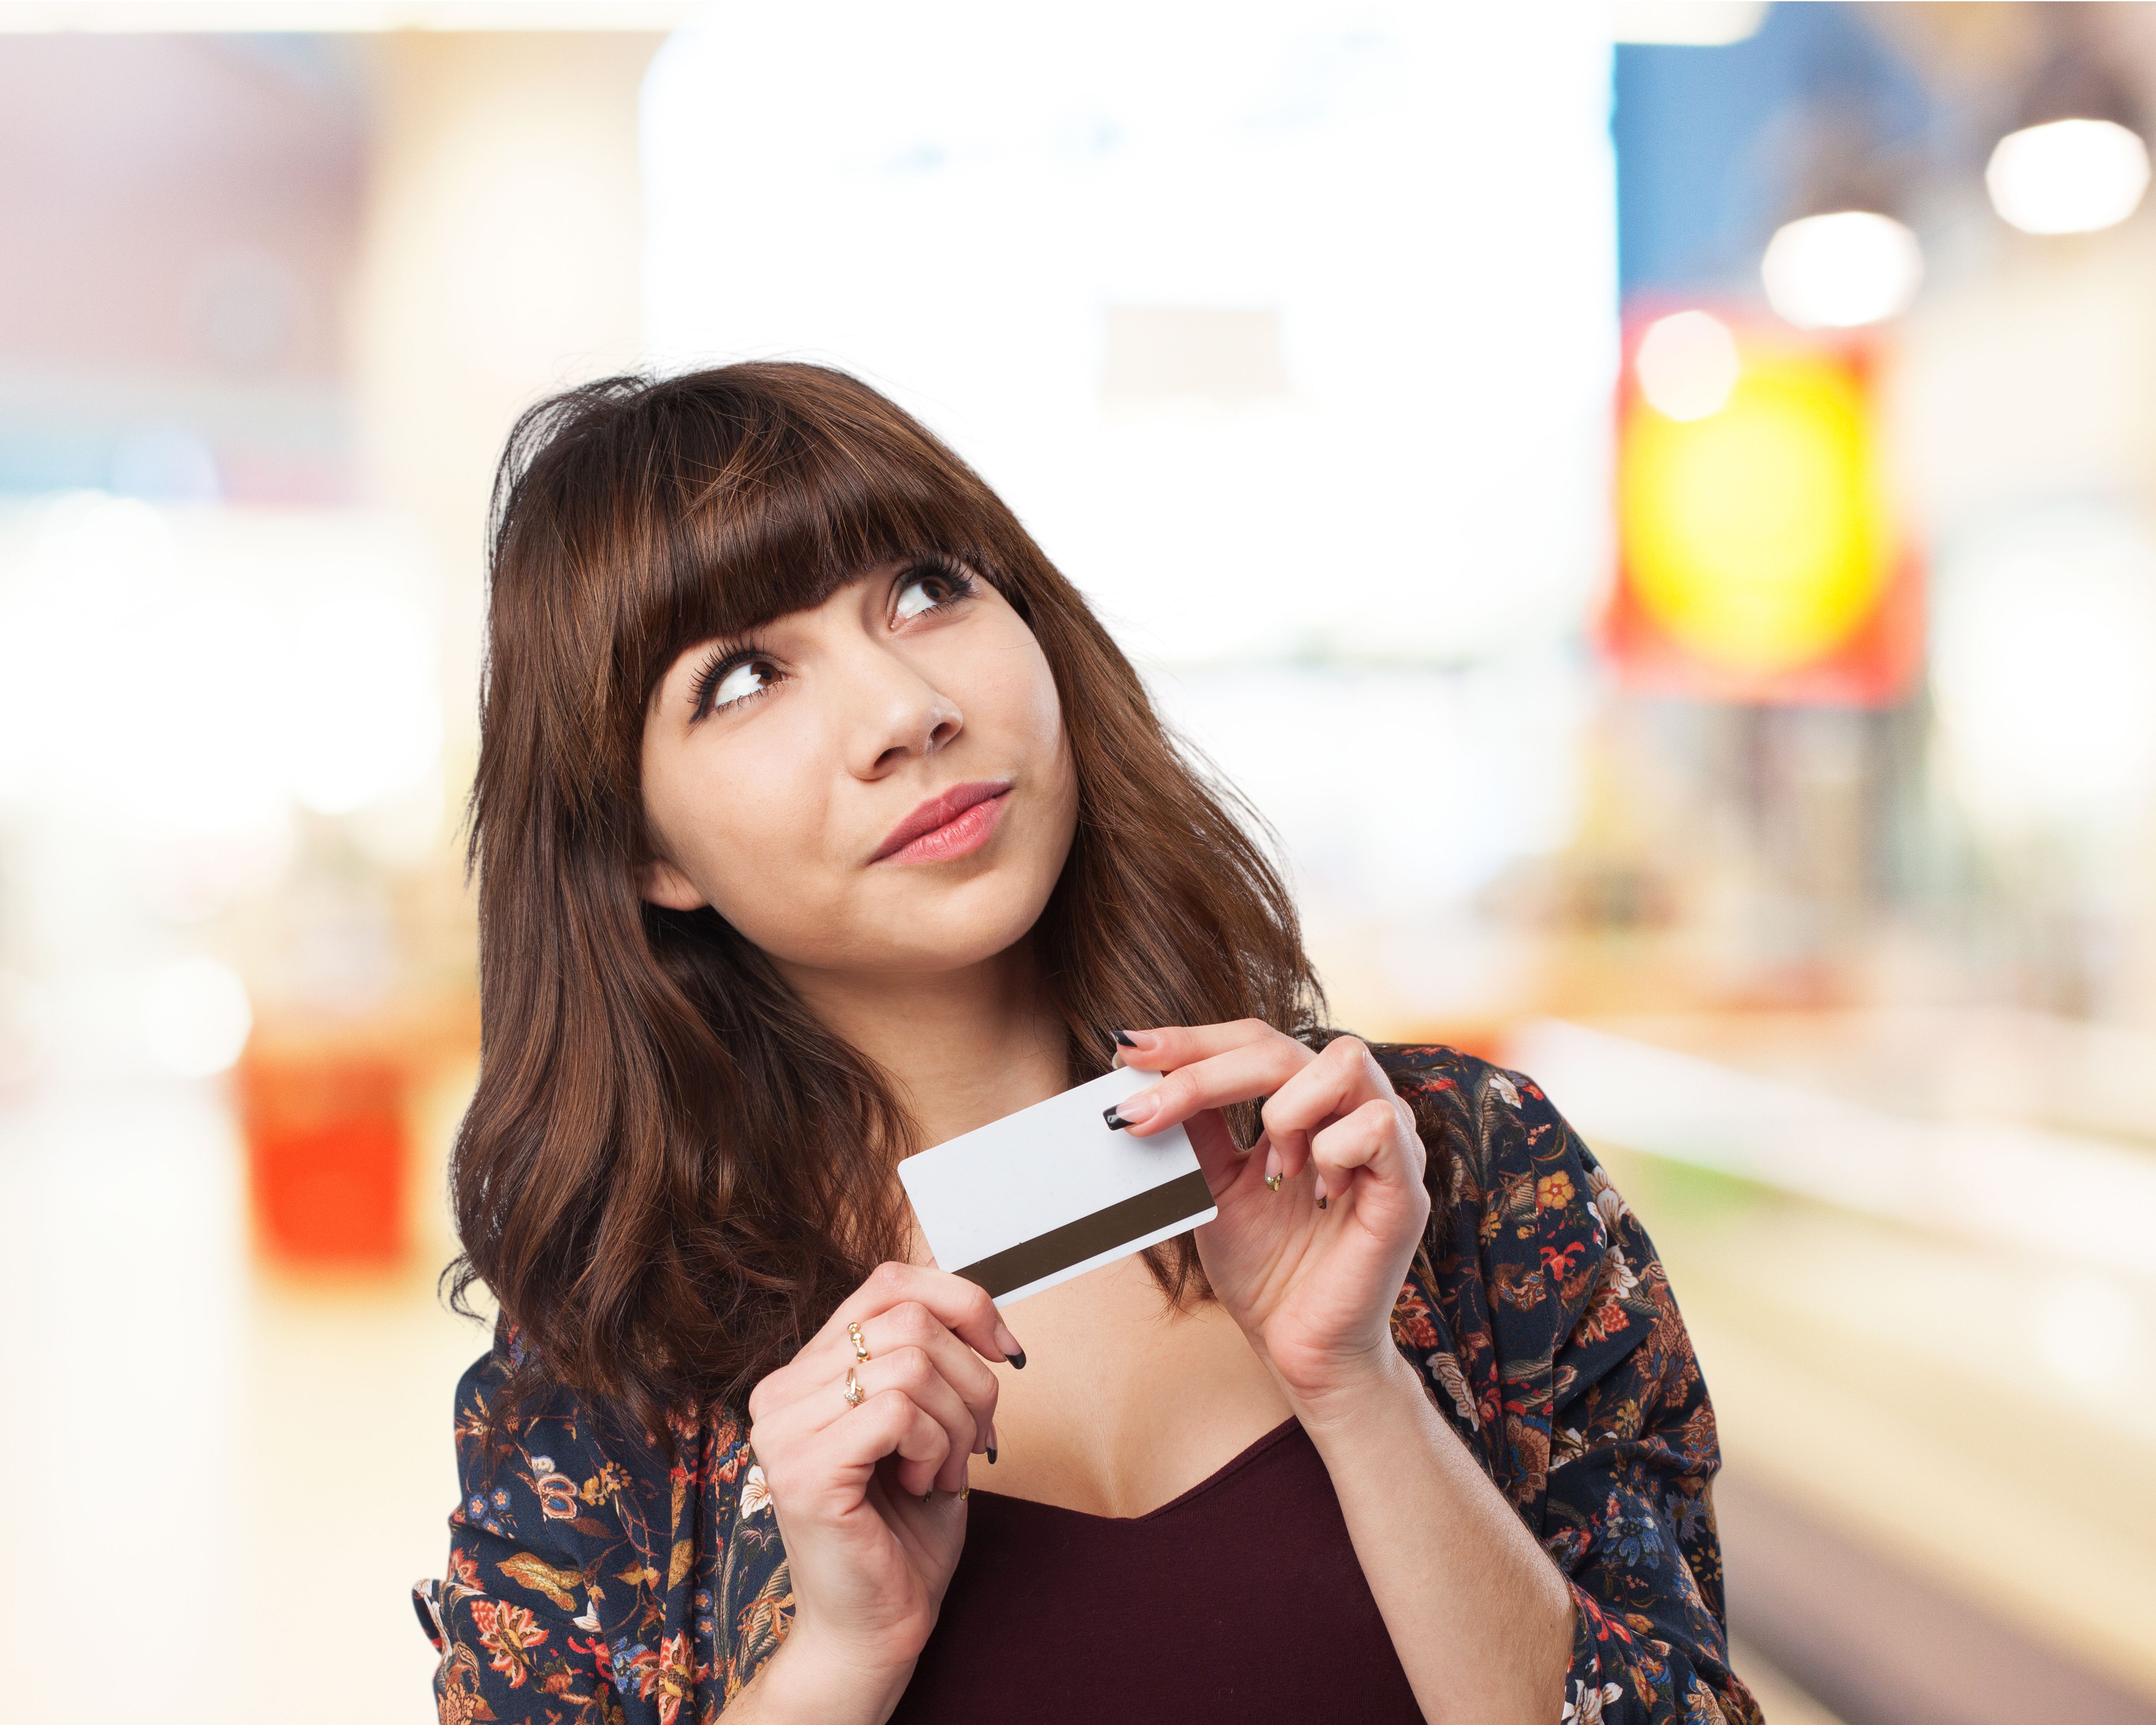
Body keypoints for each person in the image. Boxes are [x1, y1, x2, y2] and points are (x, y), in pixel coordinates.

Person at [412, 362, 1760, 1725]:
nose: (905, 712)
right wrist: (839, 1655)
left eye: (927, 589)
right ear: (647, 853)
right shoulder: (609, 1380)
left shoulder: (1458, 1176)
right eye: (747, 677)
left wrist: (1365, 1393)